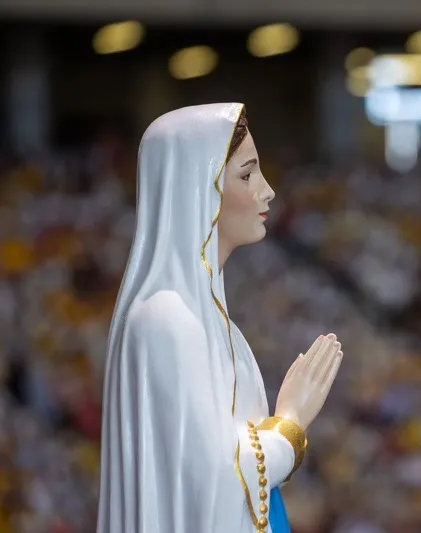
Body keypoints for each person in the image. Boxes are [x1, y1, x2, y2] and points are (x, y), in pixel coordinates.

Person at [97, 103, 343, 533]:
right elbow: (213, 477)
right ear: (198, 188)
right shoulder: (166, 320)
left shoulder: (205, 317)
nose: (266, 191)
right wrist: (290, 423)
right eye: (247, 175)